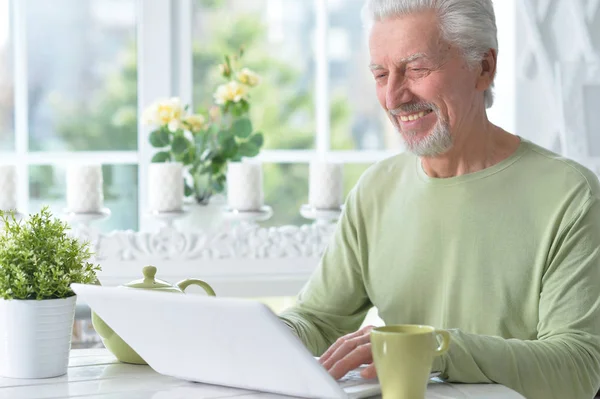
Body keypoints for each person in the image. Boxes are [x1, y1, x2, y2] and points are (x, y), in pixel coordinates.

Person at [278, 1, 600, 398]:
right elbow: (318, 319)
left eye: (416, 70)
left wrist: (438, 349)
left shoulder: (570, 195)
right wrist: (262, 334)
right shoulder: (376, 189)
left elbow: (580, 368)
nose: (394, 97)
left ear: (484, 67)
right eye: (381, 74)